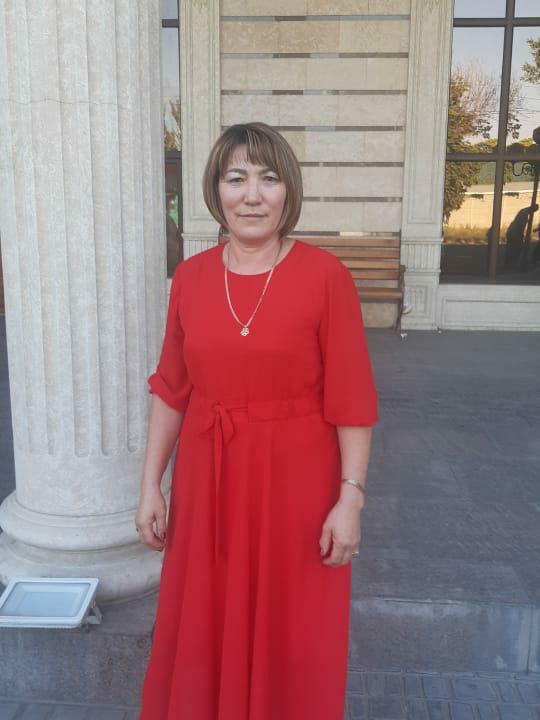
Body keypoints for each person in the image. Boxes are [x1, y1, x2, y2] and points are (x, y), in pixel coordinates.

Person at [136, 121, 379, 719]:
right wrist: (151, 486)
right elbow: (172, 390)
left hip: (295, 489)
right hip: (208, 485)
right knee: (206, 619)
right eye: (236, 178)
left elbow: (351, 399)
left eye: (268, 179)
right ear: (215, 190)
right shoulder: (191, 278)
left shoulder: (326, 278)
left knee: (293, 625)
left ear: (287, 190)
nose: (252, 195)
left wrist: (350, 499)